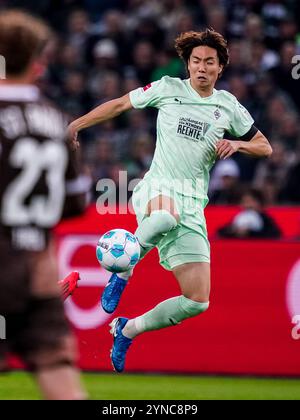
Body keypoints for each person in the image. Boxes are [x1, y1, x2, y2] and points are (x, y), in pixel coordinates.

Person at [68, 29, 272, 373]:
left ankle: (127, 329)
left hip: (195, 204)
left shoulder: (228, 106)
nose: (201, 67)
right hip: (157, 188)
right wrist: (76, 124)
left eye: (209, 62)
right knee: (165, 217)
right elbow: (119, 104)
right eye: (196, 61)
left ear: (220, 67)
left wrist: (239, 144)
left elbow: (264, 146)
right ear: (188, 64)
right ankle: (122, 274)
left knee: (197, 300)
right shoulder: (167, 88)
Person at [0, 11, 88, 399]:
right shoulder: (57, 122)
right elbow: (72, 204)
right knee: (58, 369)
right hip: (37, 275)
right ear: (37, 63)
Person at [217, 188, 282, 239]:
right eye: (244, 202)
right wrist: (233, 231)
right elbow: (221, 231)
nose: (247, 205)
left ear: (259, 203)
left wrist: (250, 232)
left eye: (250, 201)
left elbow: (275, 234)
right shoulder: (240, 217)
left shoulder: (265, 218)